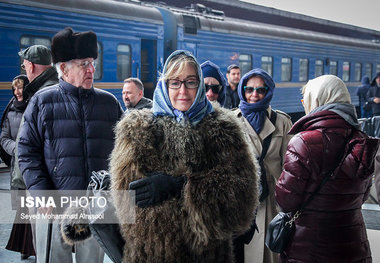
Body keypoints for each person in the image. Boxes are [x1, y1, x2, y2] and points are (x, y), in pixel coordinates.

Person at [110, 50, 259, 262]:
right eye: (175, 83)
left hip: (207, 255)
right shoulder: (137, 130)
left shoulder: (224, 128)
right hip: (150, 255)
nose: (183, 91)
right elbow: (124, 203)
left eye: (190, 82)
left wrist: (182, 185)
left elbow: (243, 199)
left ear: (199, 86)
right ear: (165, 85)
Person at [18, 27, 123, 263]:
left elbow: (124, 152)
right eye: (84, 63)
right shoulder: (42, 102)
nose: (91, 69)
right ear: (63, 68)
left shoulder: (109, 104)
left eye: (92, 63)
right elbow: (26, 151)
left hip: (96, 205)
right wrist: (41, 192)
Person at [275, 75, 379, 263]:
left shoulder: (303, 142)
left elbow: (286, 201)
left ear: (317, 99)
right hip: (353, 245)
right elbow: (362, 197)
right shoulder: (363, 141)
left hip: (309, 247)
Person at [233, 68, 292, 263]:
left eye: (260, 90)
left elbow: (289, 166)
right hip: (242, 199)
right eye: (249, 89)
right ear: (242, 90)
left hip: (273, 199)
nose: (254, 95)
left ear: (269, 91)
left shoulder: (282, 122)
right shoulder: (232, 121)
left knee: (270, 253)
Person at [0, 75, 35, 260]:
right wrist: (17, 149)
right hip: (17, 166)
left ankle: (29, 248)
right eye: (15, 89)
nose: (17, 92)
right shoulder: (11, 109)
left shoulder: (33, 107)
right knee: (22, 209)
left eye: (20, 88)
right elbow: (3, 137)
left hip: (31, 167)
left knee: (30, 210)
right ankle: (25, 247)